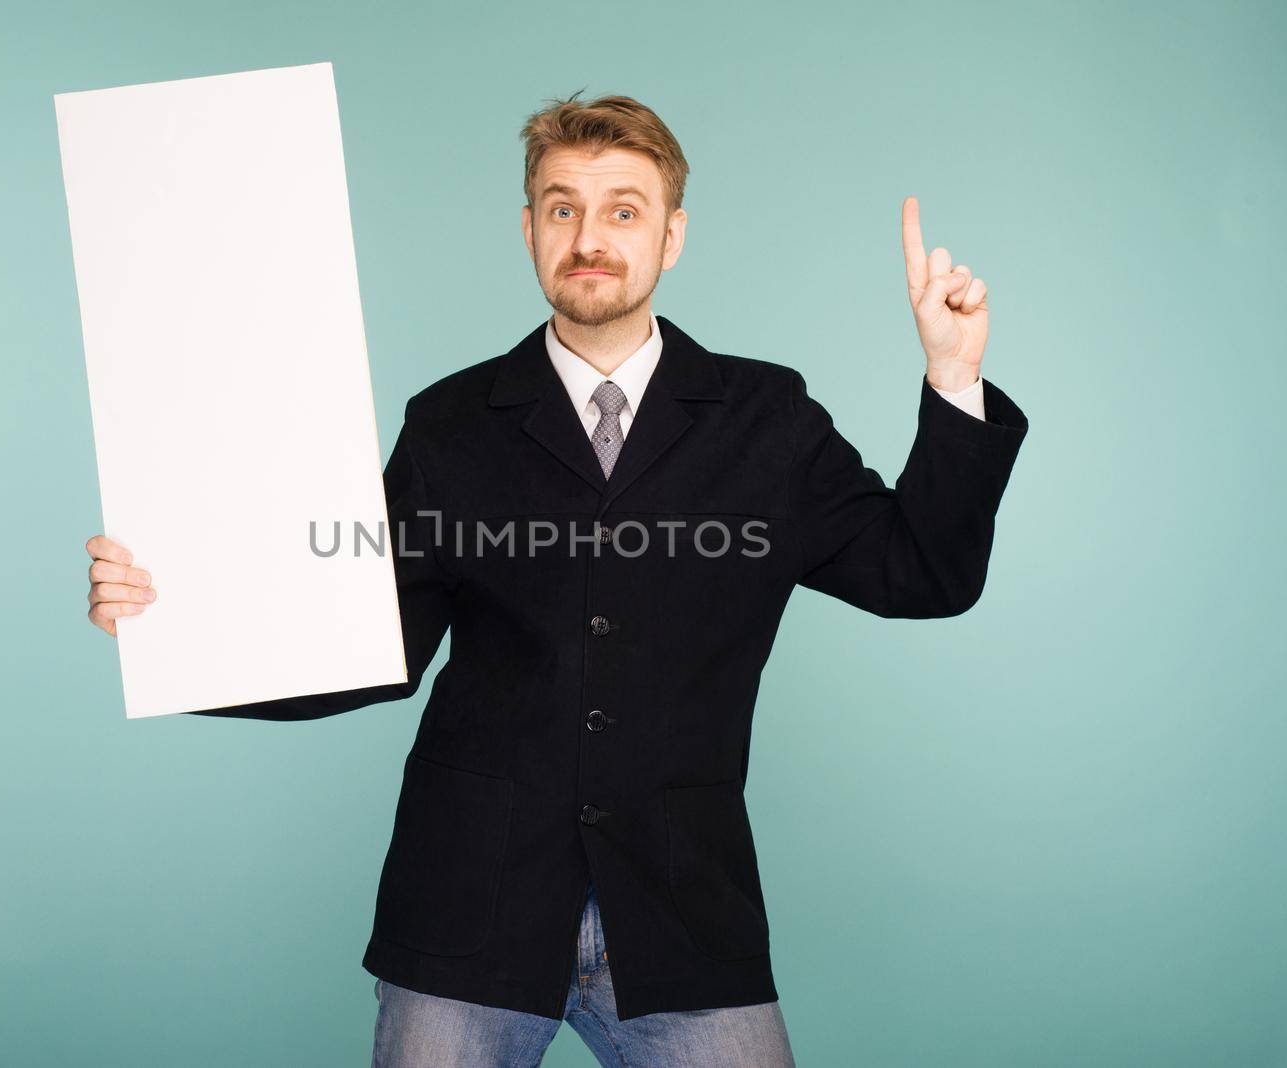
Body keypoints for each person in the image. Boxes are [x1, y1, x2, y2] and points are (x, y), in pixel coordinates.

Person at [83, 92, 1028, 1066]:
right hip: (467, 912)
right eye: (562, 206)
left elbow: (922, 572)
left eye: (624, 208)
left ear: (671, 236)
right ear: (530, 228)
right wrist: (177, 630)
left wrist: (953, 379)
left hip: (681, 918)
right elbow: (375, 649)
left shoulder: (767, 422)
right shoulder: (451, 424)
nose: (590, 235)